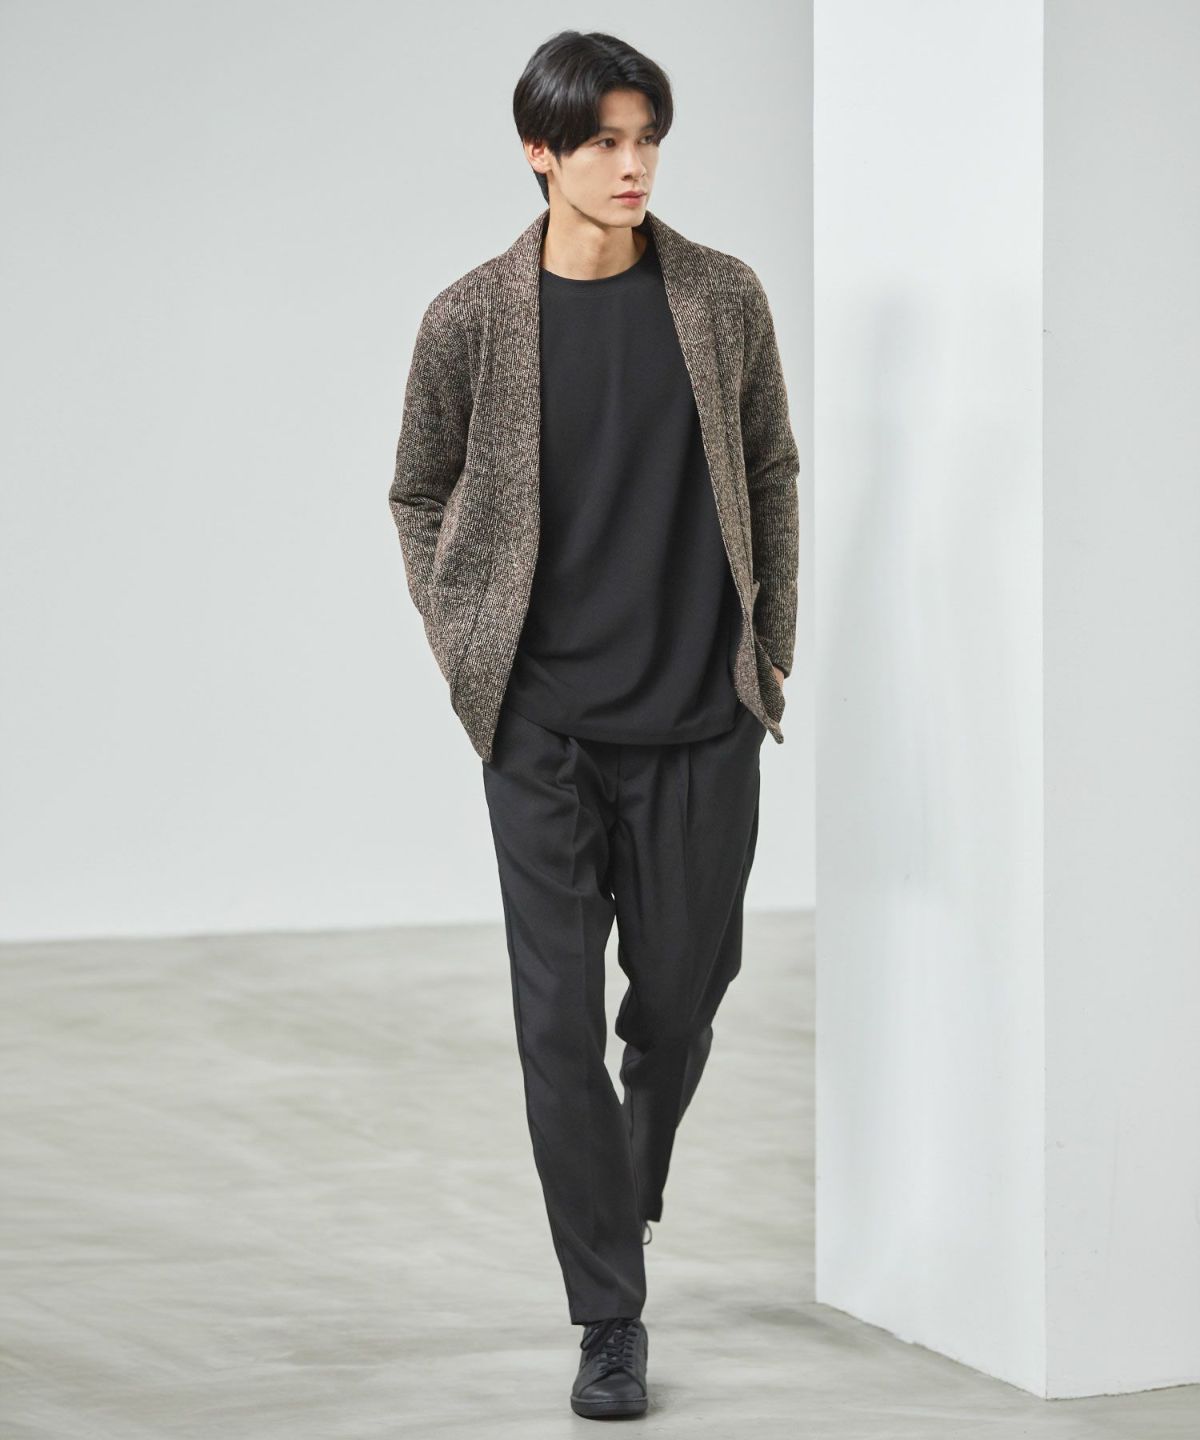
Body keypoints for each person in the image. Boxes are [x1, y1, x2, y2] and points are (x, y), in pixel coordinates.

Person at [388, 28, 799, 1420]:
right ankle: (609, 1318)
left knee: (679, 997)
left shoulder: (721, 296)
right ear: (541, 153)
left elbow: (770, 466)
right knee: (555, 1024)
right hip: (545, 728)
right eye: (606, 142)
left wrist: (766, 652)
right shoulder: (470, 318)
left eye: (648, 140)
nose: (634, 166)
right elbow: (417, 488)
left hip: (697, 717)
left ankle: (629, 1180)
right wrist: (467, 648)